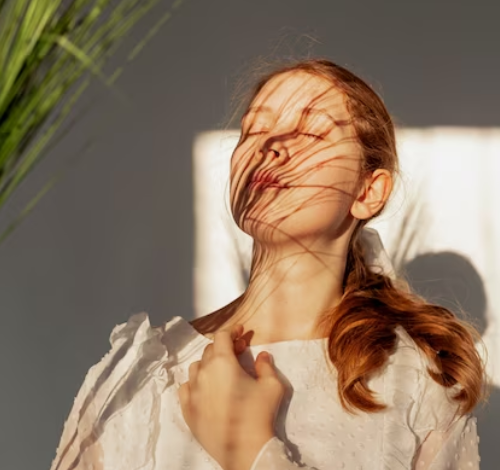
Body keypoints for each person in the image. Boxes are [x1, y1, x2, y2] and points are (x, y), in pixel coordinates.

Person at [50, 59, 486, 470]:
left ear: (368, 192)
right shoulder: (140, 371)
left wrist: (251, 451)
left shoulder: (414, 382)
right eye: (255, 129)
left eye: (312, 132)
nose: (271, 146)